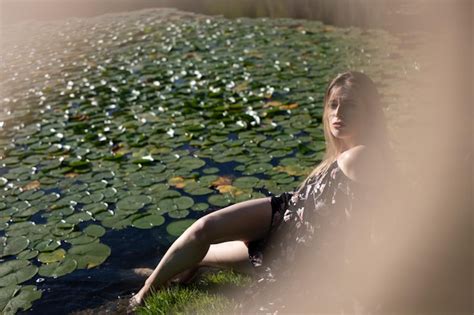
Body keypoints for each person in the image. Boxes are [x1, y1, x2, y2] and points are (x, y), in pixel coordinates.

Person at [128, 71, 398, 313]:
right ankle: (153, 284)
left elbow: (369, 226)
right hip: (285, 215)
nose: (338, 114)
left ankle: (144, 290)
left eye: (350, 106)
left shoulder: (362, 156)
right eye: (333, 105)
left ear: (369, 113)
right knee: (203, 233)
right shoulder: (345, 153)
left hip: (291, 247)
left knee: (204, 239)